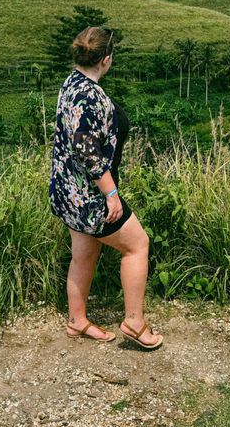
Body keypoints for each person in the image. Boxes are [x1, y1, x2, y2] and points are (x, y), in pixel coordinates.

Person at [49, 26, 162, 349]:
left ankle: (77, 321)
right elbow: (86, 147)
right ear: (107, 59)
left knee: (84, 253)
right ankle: (135, 322)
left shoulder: (71, 82)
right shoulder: (90, 94)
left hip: (66, 191)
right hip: (89, 196)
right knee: (137, 244)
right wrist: (111, 193)